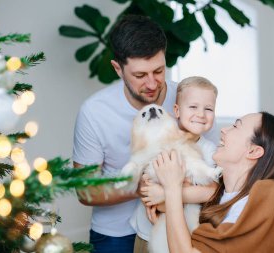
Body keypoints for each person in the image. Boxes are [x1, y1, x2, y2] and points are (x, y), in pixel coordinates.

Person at [72, 15, 218, 253]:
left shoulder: (187, 100)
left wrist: (172, 191)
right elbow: (85, 190)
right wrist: (143, 189)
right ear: (117, 68)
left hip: (178, 226)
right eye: (140, 75)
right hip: (115, 234)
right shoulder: (94, 112)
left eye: (158, 71)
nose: (152, 83)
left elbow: (209, 169)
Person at [143, 112, 274, 253]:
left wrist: (172, 188)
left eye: (235, 126)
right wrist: (170, 226)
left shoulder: (255, 210)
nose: (224, 130)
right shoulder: (222, 191)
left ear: (253, 151)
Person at [131, 76, 219, 253]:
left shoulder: (210, 150)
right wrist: (186, 191)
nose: (201, 114)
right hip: (147, 235)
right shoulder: (159, 139)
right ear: (177, 110)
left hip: (184, 236)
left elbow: (213, 192)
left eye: (208, 109)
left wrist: (165, 193)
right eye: (193, 107)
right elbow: (153, 199)